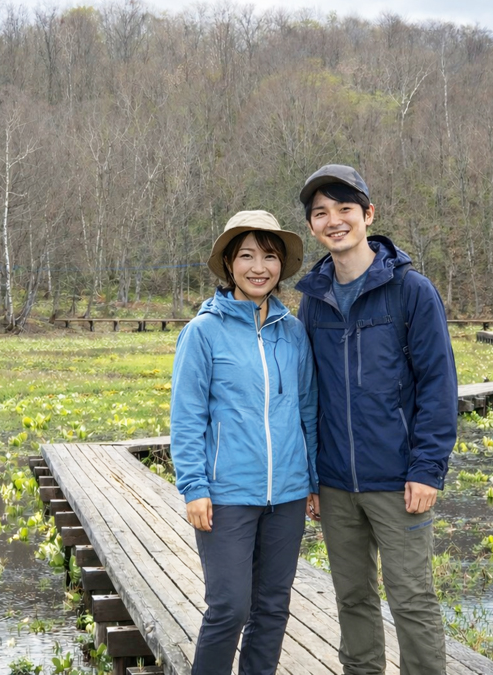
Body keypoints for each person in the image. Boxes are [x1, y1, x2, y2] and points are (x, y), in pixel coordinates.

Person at [294, 164, 457, 675]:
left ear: (368, 215)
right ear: (312, 226)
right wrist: (312, 476)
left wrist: (427, 469)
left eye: (345, 209)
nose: (334, 220)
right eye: (321, 213)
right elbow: (310, 392)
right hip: (336, 482)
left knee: (411, 600)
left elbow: (438, 385)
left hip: (399, 480)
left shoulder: (411, 291)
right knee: (354, 600)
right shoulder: (312, 299)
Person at [170, 210, 319, 675]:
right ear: (229, 264)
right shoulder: (203, 333)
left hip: (289, 494)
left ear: (281, 267)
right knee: (230, 607)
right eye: (248, 255)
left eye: (270, 256)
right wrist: (194, 487)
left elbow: (308, 412)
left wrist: (312, 480)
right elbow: (187, 416)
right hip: (227, 494)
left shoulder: (294, 333)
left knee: (272, 608)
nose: (260, 267)